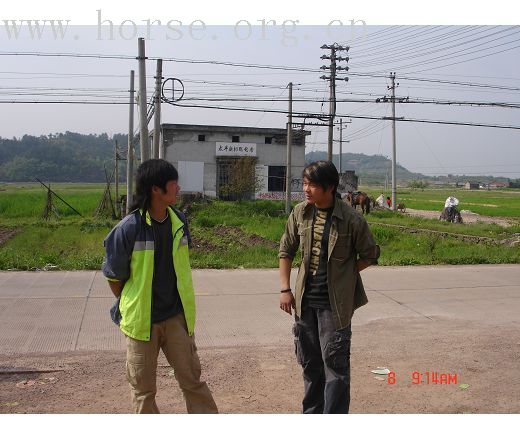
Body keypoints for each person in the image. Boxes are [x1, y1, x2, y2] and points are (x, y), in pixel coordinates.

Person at [102, 159, 218, 414]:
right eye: (174, 183)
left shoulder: (179, 220)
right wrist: (134, 300)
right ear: (156, 189)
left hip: (177, 318)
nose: (178, 188)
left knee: (193, 382)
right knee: (144, 391)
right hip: (141, 322)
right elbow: (114, 277)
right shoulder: (128, 229)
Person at [278, 161, 380, 414]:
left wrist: (345, 273)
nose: (306, 189)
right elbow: (286, 250)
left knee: (335, 369)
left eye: (312, 184)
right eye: (304, 183)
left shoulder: (352, 219)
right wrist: (285, 288)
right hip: (304, 304)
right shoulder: (300, 213)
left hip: (335, 307)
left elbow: (371, 254)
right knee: (310, 365)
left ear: (330, 187)